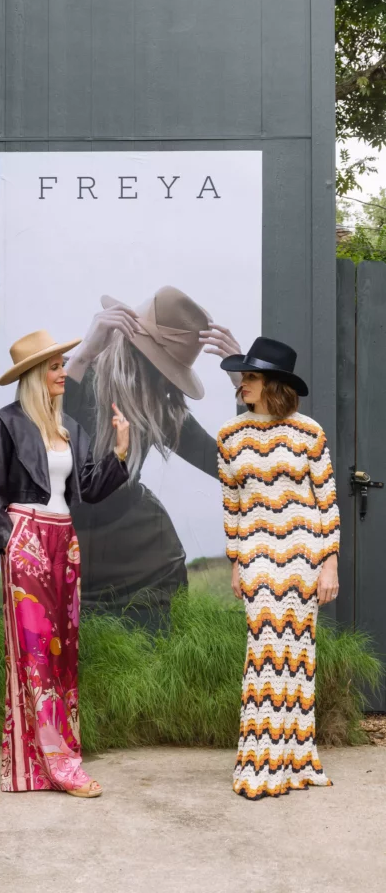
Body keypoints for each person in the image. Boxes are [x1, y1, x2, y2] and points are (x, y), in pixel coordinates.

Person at [0, 329, 130, 797]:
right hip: (28, 539)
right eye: (56, 366)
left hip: (66, 541)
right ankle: (61, 766)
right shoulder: (5, 424)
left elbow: (90, 488)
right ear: (36, 375)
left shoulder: (70, 431)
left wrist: (120, 450)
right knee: (35, 655)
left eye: (63, 365)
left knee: (62, 653)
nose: (64, 373)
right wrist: (12, 542)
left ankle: (38, 763)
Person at [63, 285, 241, 610]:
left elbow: (232, 469)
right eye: (165, 367)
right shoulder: (72, 374)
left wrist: (244, 384)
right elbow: (34, 436)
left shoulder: (161, 405)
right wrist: (82, 355)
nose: (168, 380)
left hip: (145, 559)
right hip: (65, 551)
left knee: (155, 652)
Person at [217, 337, 340, 799]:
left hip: (304, 556)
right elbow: (232, 504)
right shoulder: (230, 436)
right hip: (257, 556)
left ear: (274, 383)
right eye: (243, 376)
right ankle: (260, 763)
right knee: (265, 651)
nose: (242, 383)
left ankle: (294, 761)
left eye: (250, 376)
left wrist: (329, 563)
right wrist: (235, 562)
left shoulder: (309, 432)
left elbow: (325, 502)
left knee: (297, 656)